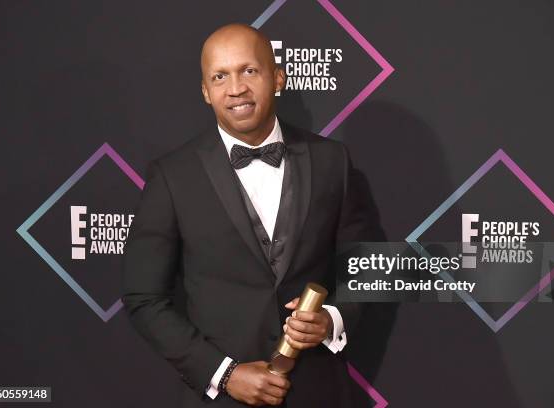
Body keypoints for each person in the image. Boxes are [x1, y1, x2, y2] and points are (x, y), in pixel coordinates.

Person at [121, 23, 384, 407]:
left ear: (277, 77)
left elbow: (364, 266)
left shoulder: (331, 161)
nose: (236, 88)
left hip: (318, 393)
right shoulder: (172, 176)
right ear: (205, 91)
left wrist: (332, 319)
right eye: (220, 76)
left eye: (249, 71)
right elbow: (144, 298)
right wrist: (224, 374)